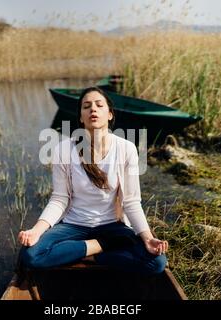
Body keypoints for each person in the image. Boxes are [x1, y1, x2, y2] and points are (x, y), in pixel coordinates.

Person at [17, 86, 168, 275]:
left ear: (110, 114)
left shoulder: (126, 149)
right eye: (86, 106)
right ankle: (101, 246)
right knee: (31, 256)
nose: (93, 109)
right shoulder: (64, 150)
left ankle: (85, 254)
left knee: (157, 263)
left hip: (112, 226)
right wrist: (37, 231)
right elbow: (59, 198)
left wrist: (146, 237)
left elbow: (131, 202)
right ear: (81, 117)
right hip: (73, 225)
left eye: (99, 105)